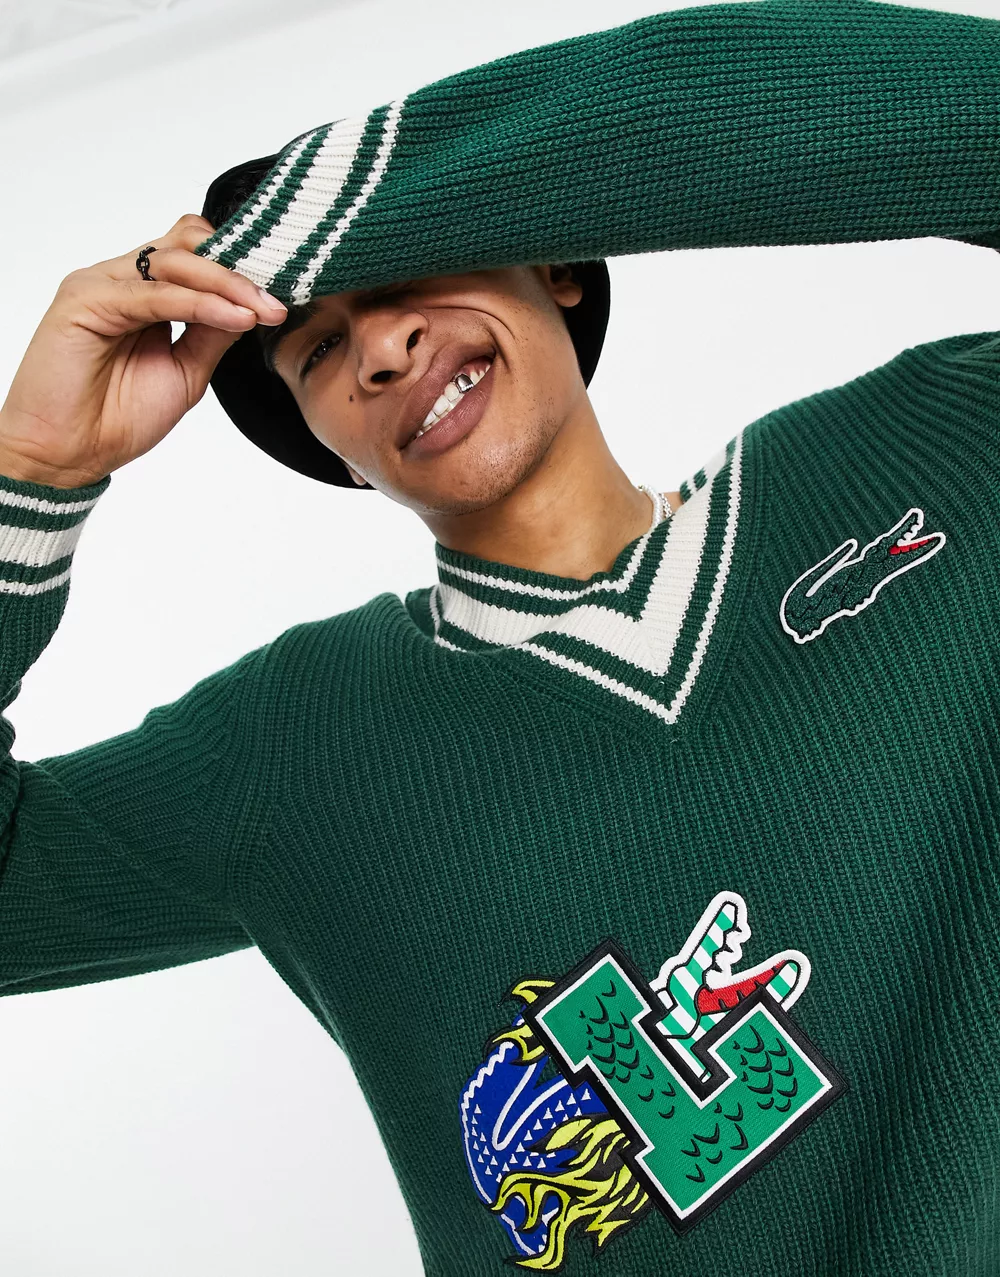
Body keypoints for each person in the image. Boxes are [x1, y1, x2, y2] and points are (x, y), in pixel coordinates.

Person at [0, 0, 999, 1272]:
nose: (382, 345)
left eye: (410, 271)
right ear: (328, 447)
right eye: (317, 347)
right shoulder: (299, 739)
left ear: (559, 260)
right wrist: (30, 473)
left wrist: (489, 162)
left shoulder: (925, 444)